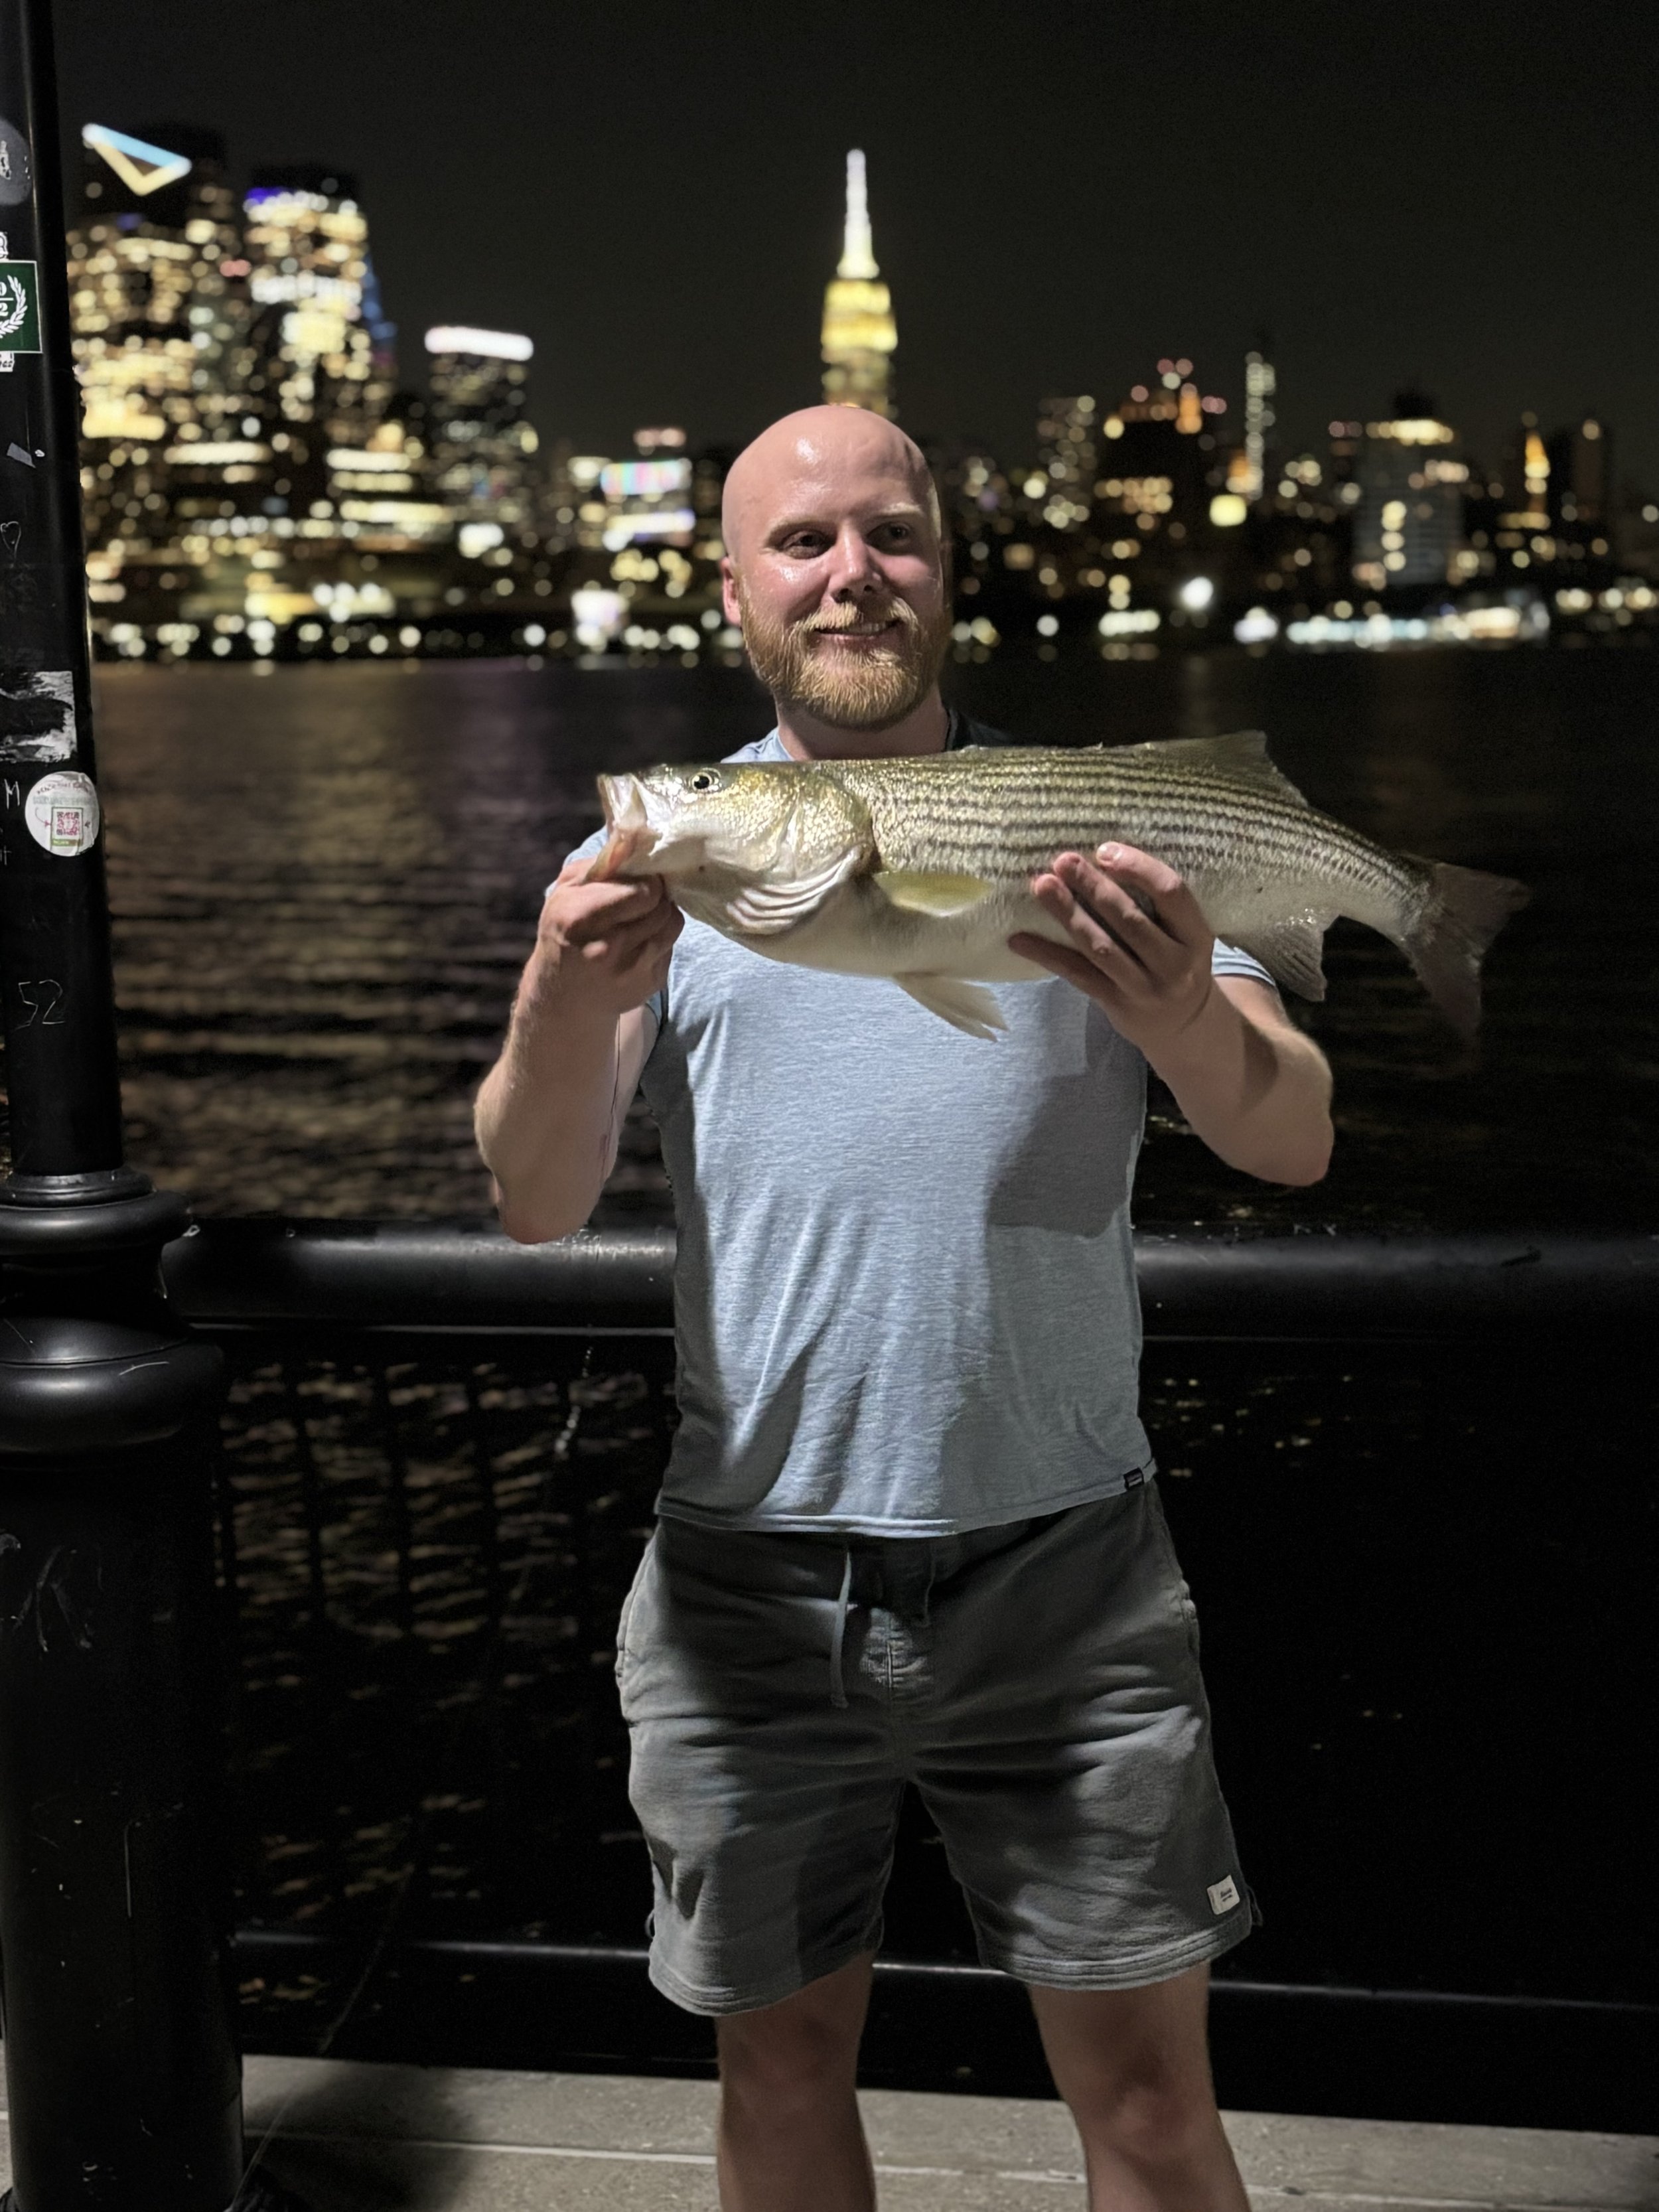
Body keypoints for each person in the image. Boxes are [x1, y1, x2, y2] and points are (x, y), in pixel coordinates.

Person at [476, 404, 1333, 2212]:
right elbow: (539, 1195)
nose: (851, 570)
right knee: (777, 2077)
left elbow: (1288, 1132)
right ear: (732, 594)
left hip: (1069, 1568)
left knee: (1153, 2106)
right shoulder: (681, 862)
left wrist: (1183, 1011)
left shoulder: (1083, 824)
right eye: (801, 542)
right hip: (746, 1581)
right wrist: (559, 990)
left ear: (947, 572)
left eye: (893, 535)